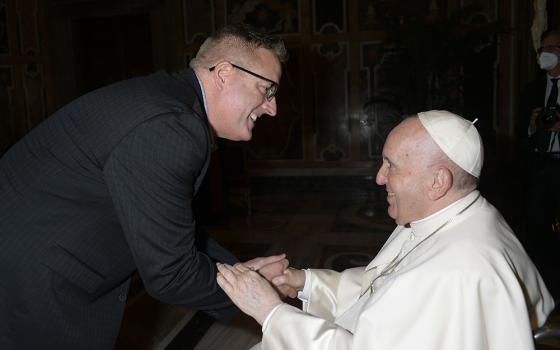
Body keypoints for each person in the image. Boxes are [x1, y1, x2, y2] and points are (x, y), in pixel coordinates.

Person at [0, 23, 289, 349]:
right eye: (267, 90)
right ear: (224, 73)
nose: (272, 108)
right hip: (32, 281)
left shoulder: (167, 103)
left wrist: (238, 272)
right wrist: (252, 292)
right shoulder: (171, 127)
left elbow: (168, 225)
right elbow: (171, 274)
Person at [217, 110, 555, 350]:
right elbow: (383, 288)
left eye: (391, 165)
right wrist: (303, 281)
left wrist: (269, 311)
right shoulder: (453, 215)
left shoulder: (456, 271)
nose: (379, 177)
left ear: (437, 182)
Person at [518, 29, 560, 296]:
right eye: (542, 48)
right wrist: (534, 126)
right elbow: (520, 132)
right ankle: (544, 289)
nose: (545, 53)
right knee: (537, 230)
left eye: (552, 48)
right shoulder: (532, 90)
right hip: (540, 168)